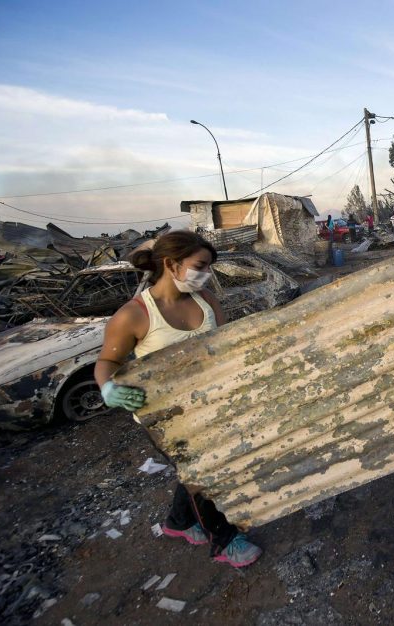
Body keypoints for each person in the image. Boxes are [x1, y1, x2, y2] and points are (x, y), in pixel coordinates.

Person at [94, 230, 263, 568]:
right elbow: (107, 362)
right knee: (203, 474)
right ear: (170, 264)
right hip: (167, 418)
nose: (206, 274)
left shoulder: (204, 300)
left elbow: (224, 345)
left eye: (209, 267)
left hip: (212, 404)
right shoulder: (135, 315)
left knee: (193, 471)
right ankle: (224, 541)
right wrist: (107, 388)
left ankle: (178, 523)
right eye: (200, 266)